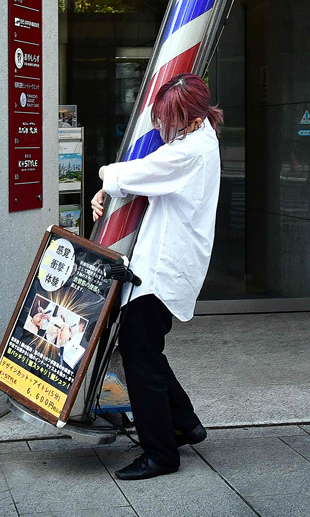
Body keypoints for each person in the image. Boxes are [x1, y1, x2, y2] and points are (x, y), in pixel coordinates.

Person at [90, 72, 222, 481]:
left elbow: (126, 174)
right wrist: (115, 186)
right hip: (166, 268)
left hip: (162, 271)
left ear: (190, 115)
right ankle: (185, 424)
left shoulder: (187, 152)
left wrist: (104, 182)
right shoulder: (200, 140)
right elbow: (146, 175)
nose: (163, 127)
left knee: (139, 359)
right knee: (147, 353)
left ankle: (161, 455)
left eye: (169, 118)